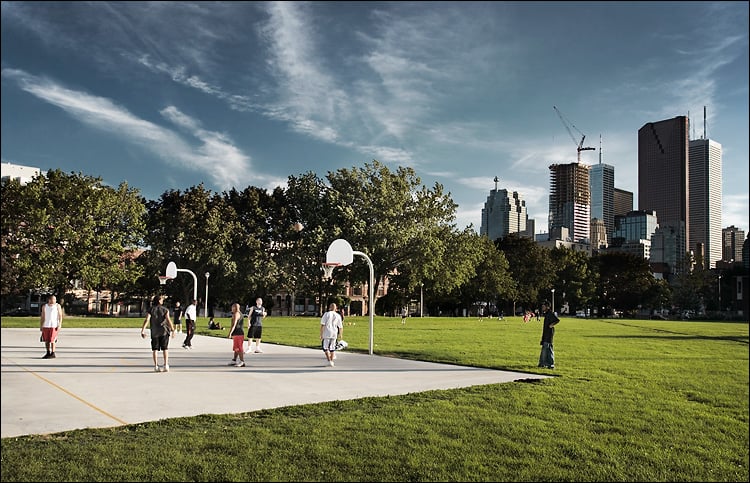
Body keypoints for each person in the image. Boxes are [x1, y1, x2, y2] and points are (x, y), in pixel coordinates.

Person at [140, 295, 175, 372]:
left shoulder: (151, 309)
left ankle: (156, 366)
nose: (163, 301)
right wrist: (172, 330)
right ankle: (166, 365)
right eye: (162, 299)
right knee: (165, 348)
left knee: (155, 349)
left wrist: (143, 330)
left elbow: (147, 320)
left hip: (154, 332)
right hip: (164, 331)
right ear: (159, 301)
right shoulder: (165, 310)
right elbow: (168, 320)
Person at [538, 301, 560, 369]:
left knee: (548, 348)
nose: (542, 307)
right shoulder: (546, 314)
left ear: (547, 307)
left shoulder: (551, 313)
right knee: (544, 348)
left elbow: (557, 320)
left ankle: (551, 364)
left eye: (544, 306)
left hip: (549, 334)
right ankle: (542, 363)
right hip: (545, 333)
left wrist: (551, 325)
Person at [320, 302, 343, 367]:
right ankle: (331, 361)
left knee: (325, 347)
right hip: (334, 333)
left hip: (327, 332)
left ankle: (329, 360)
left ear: (330, 307)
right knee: (332, 348)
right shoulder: (338, 315)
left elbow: (322, 325)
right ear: (336, 308)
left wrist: (321, 334)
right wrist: (340, 334)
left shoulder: (326, 314)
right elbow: (340, 326)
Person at [40, 294, 63, 359]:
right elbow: (43, 316)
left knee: (52, 340)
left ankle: (53, 353)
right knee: (46, 340)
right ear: (49, 300)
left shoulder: (57, 306)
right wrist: (41, 325)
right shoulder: (45, 306)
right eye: (53, 299)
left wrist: (60, 324)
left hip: (54, 325)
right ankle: (48, 352)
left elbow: (60, 316)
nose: (54, 300)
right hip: (46, 325)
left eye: (55, 299)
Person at [227, 303, 246, 367]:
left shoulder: (236, 314)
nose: (231, 308)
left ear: (235, 307)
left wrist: (230, 333)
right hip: (238, 333)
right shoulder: (240, 314)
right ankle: (234, 360)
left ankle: (242, 361)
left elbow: (234, 325)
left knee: (239, 348)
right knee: (236, 348)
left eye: (232, 307)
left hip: (238, 333)